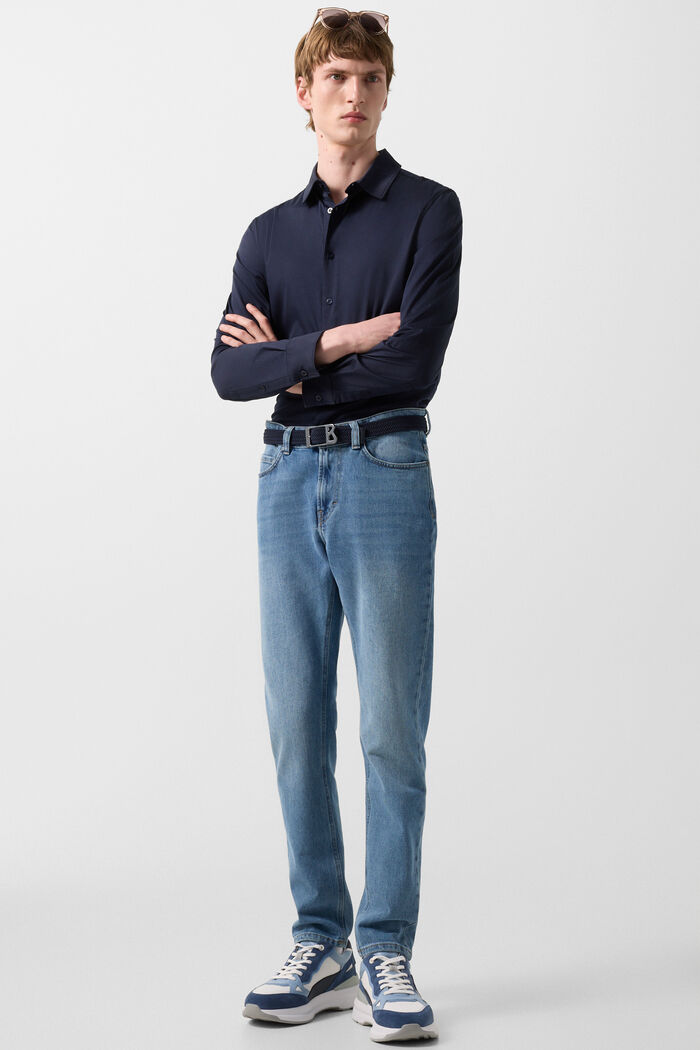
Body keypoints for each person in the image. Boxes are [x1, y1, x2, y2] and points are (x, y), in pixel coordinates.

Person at [210, 8, 461, 1042]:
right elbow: (228, 373)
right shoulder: (266, 234)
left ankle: (384, 945)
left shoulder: (429, 211)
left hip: (385, 468)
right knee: (295, 724)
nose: (353, 95)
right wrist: (339, 340)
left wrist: (290, 357)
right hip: (284, 477)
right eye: (336, 77)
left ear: (386, 92)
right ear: (304, 93)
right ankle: (320, 938)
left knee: (390, 725)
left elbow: (415, 363)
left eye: (369, 78)